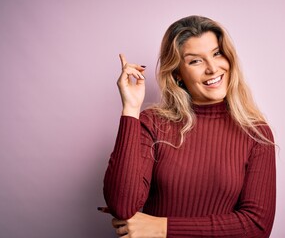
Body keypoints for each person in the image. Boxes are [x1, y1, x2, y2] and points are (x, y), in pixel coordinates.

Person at [102, 15, 276, 238]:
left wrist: (161, 228)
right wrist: (130, 110)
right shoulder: (152, 123)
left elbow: (256, 226)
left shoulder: (256, 133)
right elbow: (122, 207)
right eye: (195, 61)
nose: (212, 68)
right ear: (177, 74)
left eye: (217, 53)